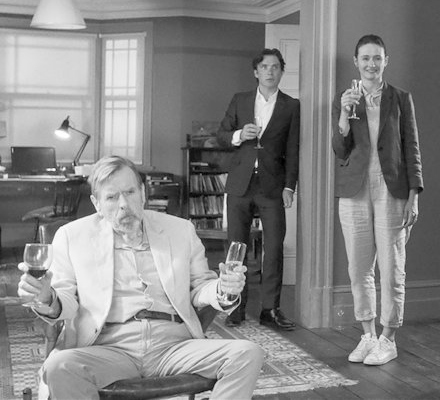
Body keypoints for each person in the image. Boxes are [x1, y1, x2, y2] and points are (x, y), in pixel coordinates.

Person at [17, 155, 264, 399]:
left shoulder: (180, 230)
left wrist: (222, 289)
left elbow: (200, 286)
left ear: (143, 194)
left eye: (130, 192)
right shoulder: (72, 236)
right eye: (112, 197)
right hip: (108, 347)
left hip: (173, 345)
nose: (124, 204)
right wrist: (47, 297)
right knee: (59, 366)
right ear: (96, 203)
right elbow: (66, 301)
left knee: (247, 353)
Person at [332, 34, 423, 366]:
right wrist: (344, 114)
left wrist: (414, 195)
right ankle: (368, 335)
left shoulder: (400, 99)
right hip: (354, 192)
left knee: (391, 268)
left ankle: (389, 338)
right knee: (358, 269)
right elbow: (339, 150)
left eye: (377, 58)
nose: (371, 64)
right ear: (356, 62)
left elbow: (412, 148)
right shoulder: (344, 99)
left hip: (392, 190)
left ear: (386, 61)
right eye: (365, 58)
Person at [217, 48, 300, 330]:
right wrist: (240, 135)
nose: (270, 71)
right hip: (240, 184)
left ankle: (270, 309)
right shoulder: (239, 100)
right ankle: (235, 306)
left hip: (272, 187)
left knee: (274, 248)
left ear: (281, 71)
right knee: (235, 248)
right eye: (264, 67)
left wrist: (289, 186)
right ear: (256, 71)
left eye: (275, 67)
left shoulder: (291, 106)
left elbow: (293, 149)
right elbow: (221, 136)